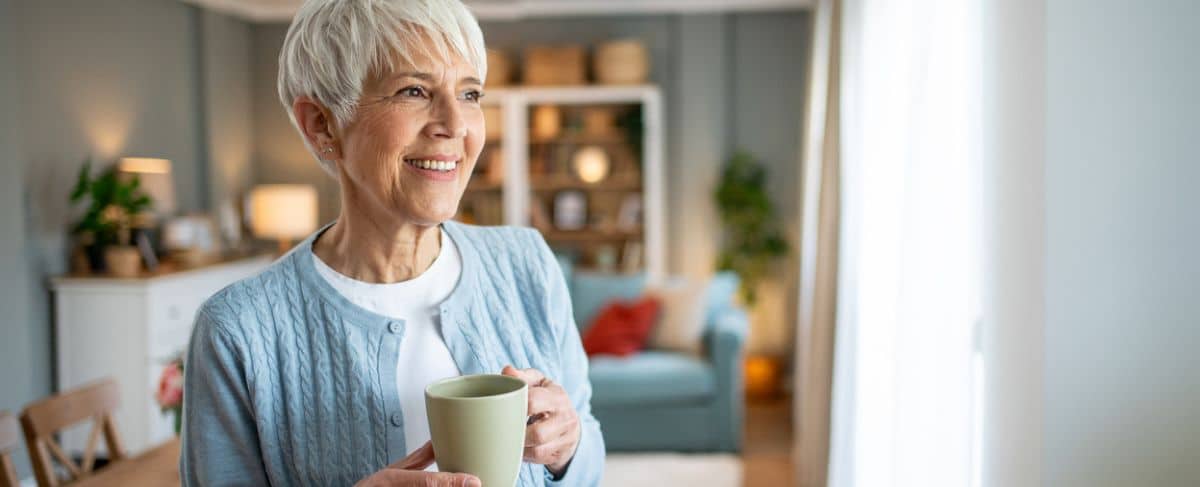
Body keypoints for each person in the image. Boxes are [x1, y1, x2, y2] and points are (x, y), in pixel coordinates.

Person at [180, 1, 604, 485]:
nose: (455, 125)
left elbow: (587, 451)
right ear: (321, 124)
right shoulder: (237, 329)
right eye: (414, 90)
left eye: (469, 94)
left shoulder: (527, 263)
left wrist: (567, 449)